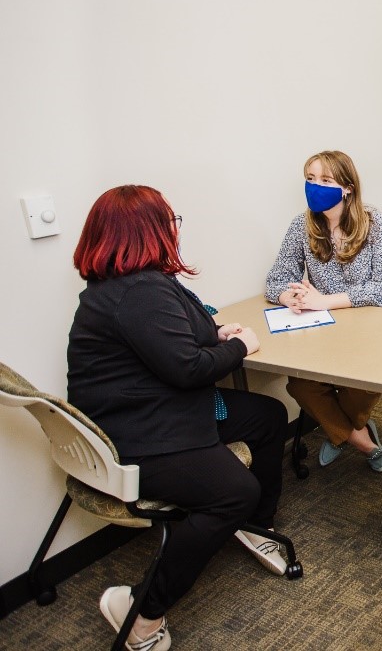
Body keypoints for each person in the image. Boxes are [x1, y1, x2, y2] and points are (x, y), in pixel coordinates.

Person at [67, 185, 289, 651]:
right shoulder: (140, 292)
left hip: (151, 412)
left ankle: (257, 527)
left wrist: (215, 332)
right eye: (170, 220)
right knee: (234, 492)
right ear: (146, 231)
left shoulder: (126, 287)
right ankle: (142, 612)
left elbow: (173, 337)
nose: (175, 228)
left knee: (267, 416)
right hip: (144, 437)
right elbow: (187, 369)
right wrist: (238, 346)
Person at [266, 150, 382, 472]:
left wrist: (326, 300)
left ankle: (338, 431)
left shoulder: (375, 222)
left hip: (374, 317)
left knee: (366, 380)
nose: (315, 186)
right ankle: (358, 437)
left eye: (325, 180)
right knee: (299, 382)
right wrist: (289, 297)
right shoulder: (302, 225)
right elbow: (275, 279)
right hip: (326, 322)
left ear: (348, 187)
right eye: (310, 179)